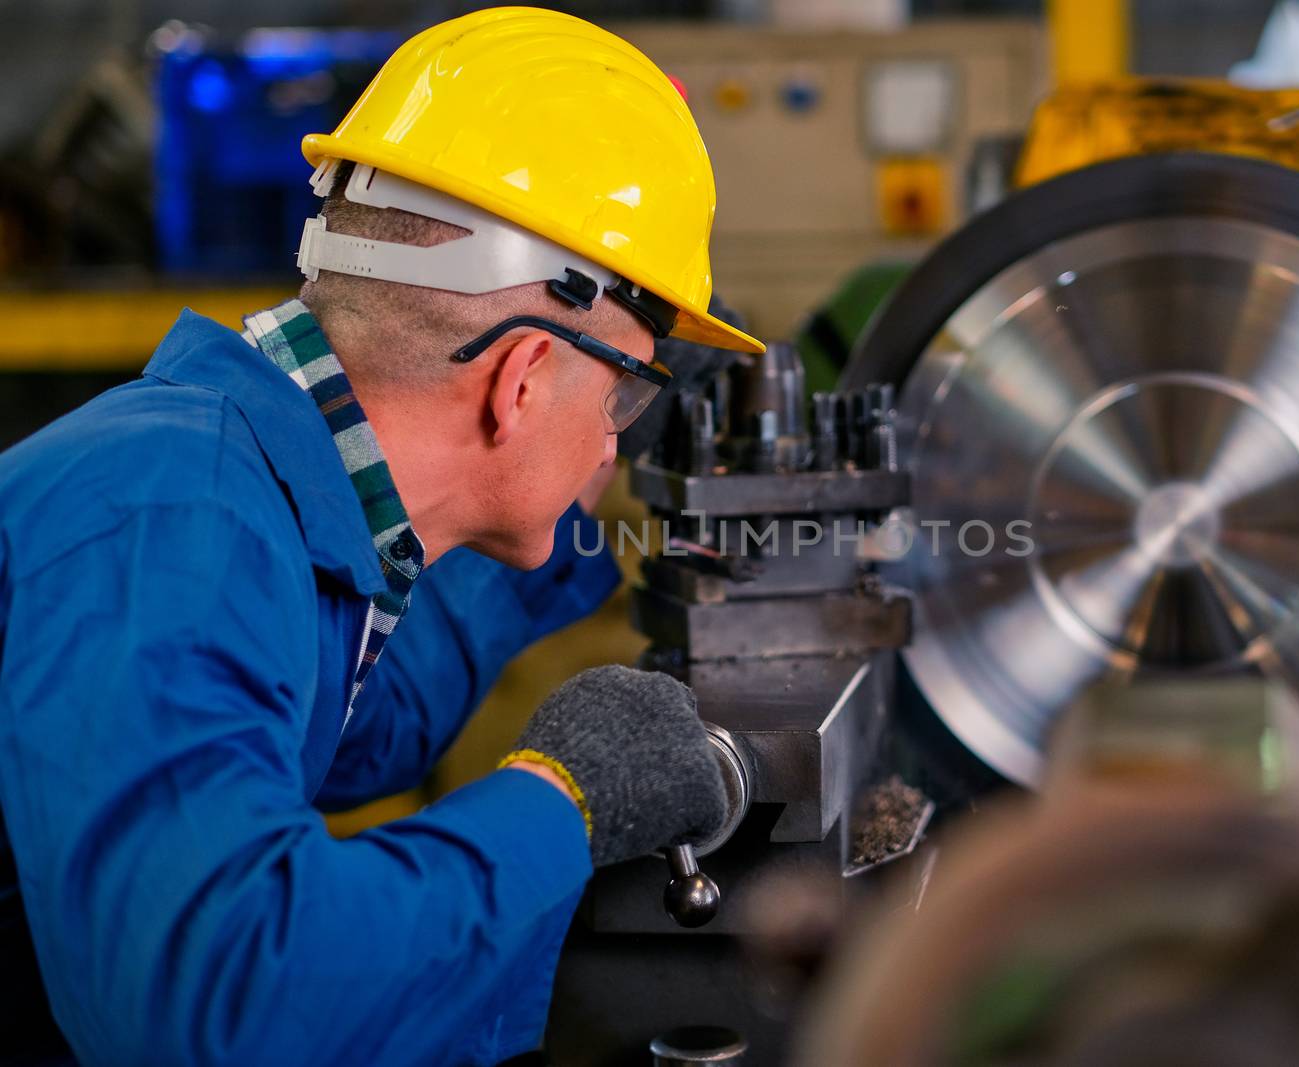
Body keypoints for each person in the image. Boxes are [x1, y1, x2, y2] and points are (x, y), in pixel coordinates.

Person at [0, 9, 761, 1065]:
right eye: (623, 402)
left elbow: (353, 727)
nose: (610, 442)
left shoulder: (244, 492)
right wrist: (565, 796)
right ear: (524, 377)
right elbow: (222, 1001)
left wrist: (598, 479)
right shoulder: (169, 522)